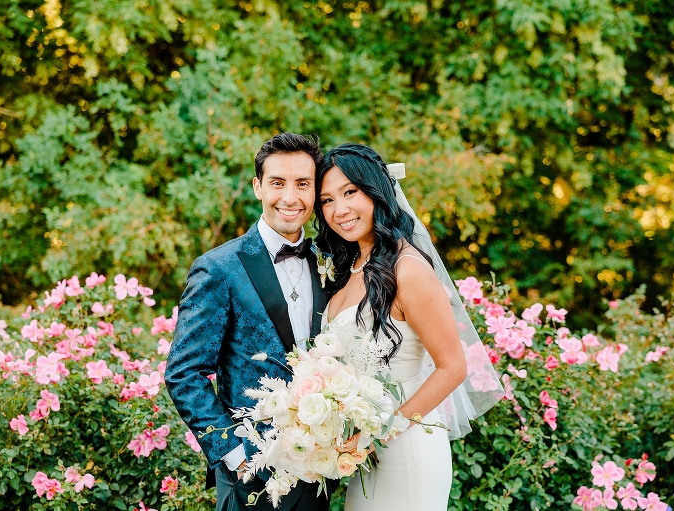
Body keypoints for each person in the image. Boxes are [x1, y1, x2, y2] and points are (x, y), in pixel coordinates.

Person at [314, 144, 502, 511]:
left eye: (350, 192)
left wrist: (381, 431)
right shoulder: (354, 265)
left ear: (376, 191)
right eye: (327, 200)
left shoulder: (409, 269)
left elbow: (453, 367)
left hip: (408, 450)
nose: (340, 210)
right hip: (367, 457)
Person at [165, 133, 336, 511]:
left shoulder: (333, 263)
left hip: (323, 472)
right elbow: (183, 372)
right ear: (258, 187)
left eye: (302, 184)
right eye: (277, 182)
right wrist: (235, 455)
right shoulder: (218, 269)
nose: (290, 197)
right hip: (251, 480)